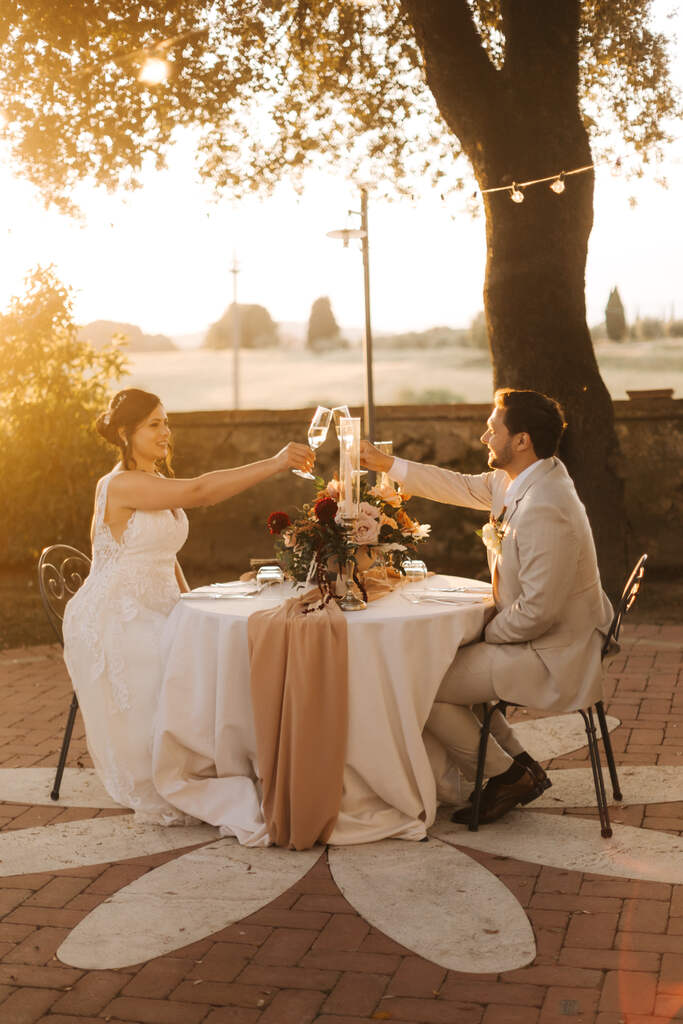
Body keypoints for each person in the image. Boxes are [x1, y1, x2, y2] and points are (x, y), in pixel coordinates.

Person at [360, 388, 613, 825]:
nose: (484, 437)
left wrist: (484, 632)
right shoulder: (525, 478)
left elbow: (537, 612)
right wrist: (388, 466)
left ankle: (506, 776)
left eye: (493, 429)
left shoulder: (547, 506)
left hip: (556, 653)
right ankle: (520, 766)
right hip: (544, 638)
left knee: (427, 682)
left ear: (521, 441)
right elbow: (457, 486)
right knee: (446, 664)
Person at [63, 387, 314, 823]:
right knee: (193, 661)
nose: (167, 433)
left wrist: (190, 602)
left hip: (158, 604)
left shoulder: (156, 482)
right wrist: (274, 463)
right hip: (114, 615)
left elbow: (165, 554)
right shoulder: (120, 484)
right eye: (155, 425)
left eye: (167, 422)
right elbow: (201, 491)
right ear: (126, 433)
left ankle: (234, 758)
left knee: (210, 642)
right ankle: (188, 771)